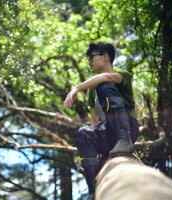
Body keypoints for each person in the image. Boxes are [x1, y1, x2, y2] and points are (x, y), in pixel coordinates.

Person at [64, 42, 139, 200]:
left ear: (105, 57)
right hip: (107, 132)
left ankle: (124, 140)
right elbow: (94, 121)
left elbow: (105, 77)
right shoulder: (93, 90)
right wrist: (93, 142)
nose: (90, 61)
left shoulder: (123, 75)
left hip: (128, 128)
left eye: (92, 57)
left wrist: (76, 88)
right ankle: (93, 190)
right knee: (84, 132)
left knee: (103, 85)